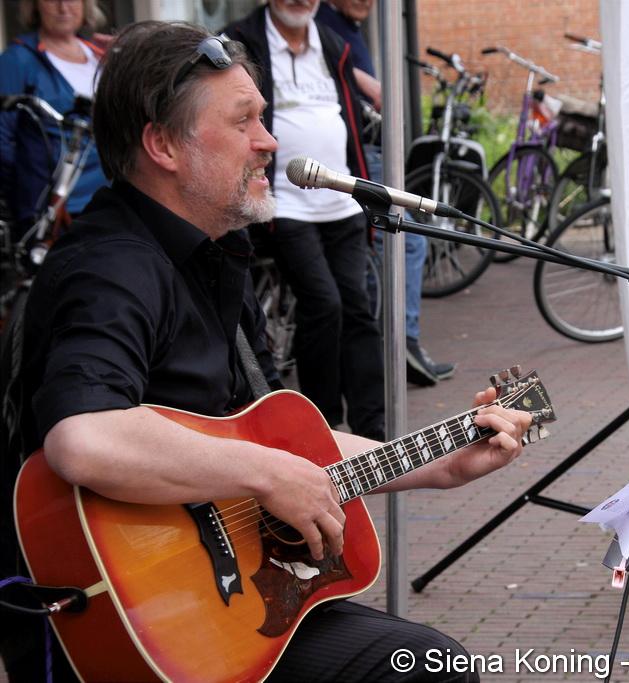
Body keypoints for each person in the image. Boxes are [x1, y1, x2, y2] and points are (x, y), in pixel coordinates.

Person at [1, 21, 530, 682]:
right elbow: (83, 437)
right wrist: (263, 472)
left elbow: (283, 445)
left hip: (213, 611)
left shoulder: (215, 255)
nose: (269, 141)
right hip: (134, 627)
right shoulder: (112, 269)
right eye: (243, 120)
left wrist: (442, 463)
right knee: (427, 666)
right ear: (163, 145)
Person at [224, 0, 387, 439]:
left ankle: (372, 428)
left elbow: (350, 118)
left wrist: (363, 190)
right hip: (286, 204)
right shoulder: (243, 41)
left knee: (358, 308)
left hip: (342, 200)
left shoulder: (332, 43)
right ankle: (324, 426)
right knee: (324, 305)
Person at [316, 0, 456, 387]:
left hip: (361, 151)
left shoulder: (343, 25)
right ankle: (398, 342)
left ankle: (384, 344)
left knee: (383, 246)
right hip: (353, 156)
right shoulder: (320, 24)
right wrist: (362, 81)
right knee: (405, 241)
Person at [0, 0, 108, 233]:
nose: (63, 7)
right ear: (35, 6)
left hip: (110, 197)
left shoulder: (100, 56)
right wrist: (25, 193)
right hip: (56, 208)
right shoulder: (18, 59)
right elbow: (2, 136)